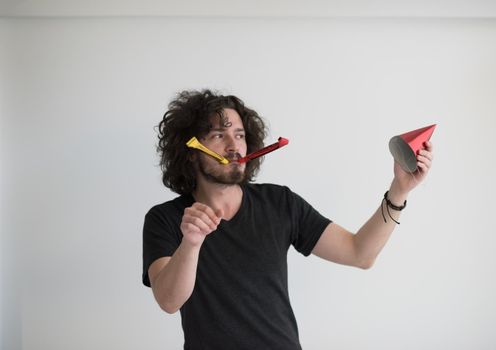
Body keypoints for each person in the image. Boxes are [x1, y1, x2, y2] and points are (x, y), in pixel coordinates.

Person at [142, 89, 433, 349]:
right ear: (191, 151)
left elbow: (360, 254)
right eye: (219, 135)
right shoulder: (165, 219)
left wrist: (399, 191)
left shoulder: (279, 203)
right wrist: (191, 244)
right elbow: (168, 301)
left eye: (240, 135)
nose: (234, 146)